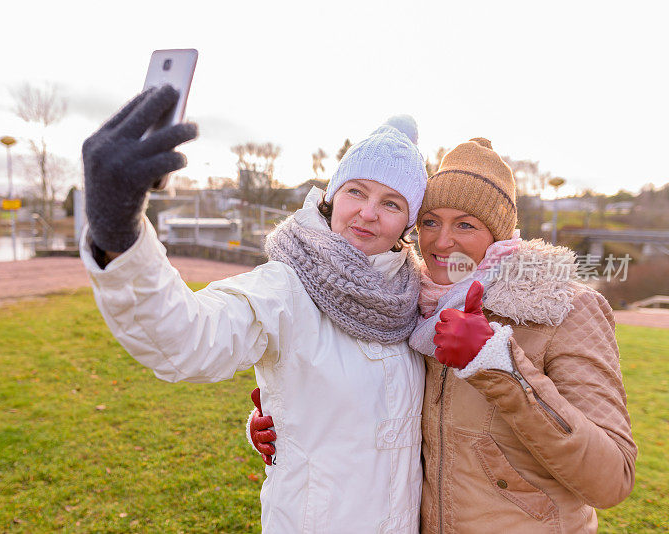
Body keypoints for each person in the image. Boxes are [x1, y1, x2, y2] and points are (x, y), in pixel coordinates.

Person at [79, 84, 430, 533]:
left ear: (409, 222)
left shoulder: (415, 299)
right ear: (331, 195)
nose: (367, 213)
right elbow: (189, 337)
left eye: (391, 203)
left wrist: (282, 420)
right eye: (356, 192)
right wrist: (118, 234)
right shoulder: (285, 288)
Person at [251, 138, 637, 532]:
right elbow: (379, 405)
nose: (441, 241)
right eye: (430, 221)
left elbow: (613, 479)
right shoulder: (408, 306)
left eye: (466, 224)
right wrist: (283, 416)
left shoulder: (564, 308)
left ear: (499, 234)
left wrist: (498, 364)